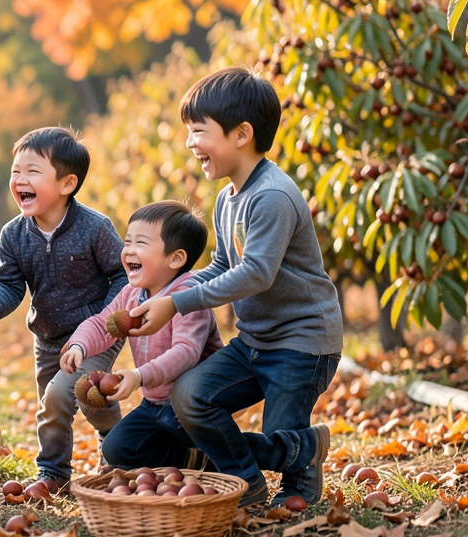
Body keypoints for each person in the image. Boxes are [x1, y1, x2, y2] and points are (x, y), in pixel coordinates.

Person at [128, 67, 343, 508]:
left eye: (198, 131)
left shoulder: (272, 196)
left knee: (280, 439)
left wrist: (177, 303)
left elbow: (256, 274)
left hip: (302, 342)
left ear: (241, 134)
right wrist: (167, 299)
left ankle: (299, 471)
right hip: (256, 341)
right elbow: (224, 265)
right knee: (189, 397)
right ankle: (248, 480)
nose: (189, 143)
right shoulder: (228, 198)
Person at [0, 127, 127, 493]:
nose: (20, 179)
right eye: (16, 171)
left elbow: (122, 277)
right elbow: (8, 284)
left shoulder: (95, 228)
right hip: (48, 337)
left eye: (32, 171)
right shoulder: (14, 235)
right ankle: (62, 471)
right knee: (60, 404)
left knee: (62, 396)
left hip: (95, 335)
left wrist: (105, 321)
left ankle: (75, 463)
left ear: (67, 183)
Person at [60, 201, 219, 472]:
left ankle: (222, 453)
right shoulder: (132, 295)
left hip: (195, 404)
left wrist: (139, 376)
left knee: (173, 423)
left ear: (176, 258)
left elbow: (186, 352)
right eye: (127, 242)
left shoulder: (188, 296)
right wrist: (79, 345)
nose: (129, 250)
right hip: (154, 402)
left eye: (140, 243)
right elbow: (102, 324)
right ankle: (190, 462)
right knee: (116, 449)